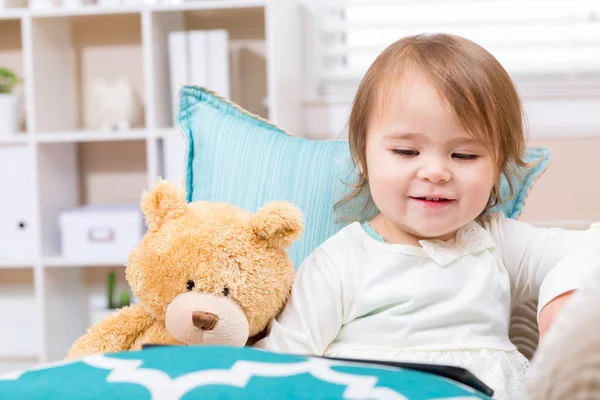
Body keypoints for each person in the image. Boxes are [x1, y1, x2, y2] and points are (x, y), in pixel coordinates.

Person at [255, 33, 600, 399]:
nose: (435, 172)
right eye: (406, 151)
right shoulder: (340, 261)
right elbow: (283, 364)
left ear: (497, 167)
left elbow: (590, 246)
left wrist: (561, 300)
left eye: (464, 156)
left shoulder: (496, 242)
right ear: (363, 158)